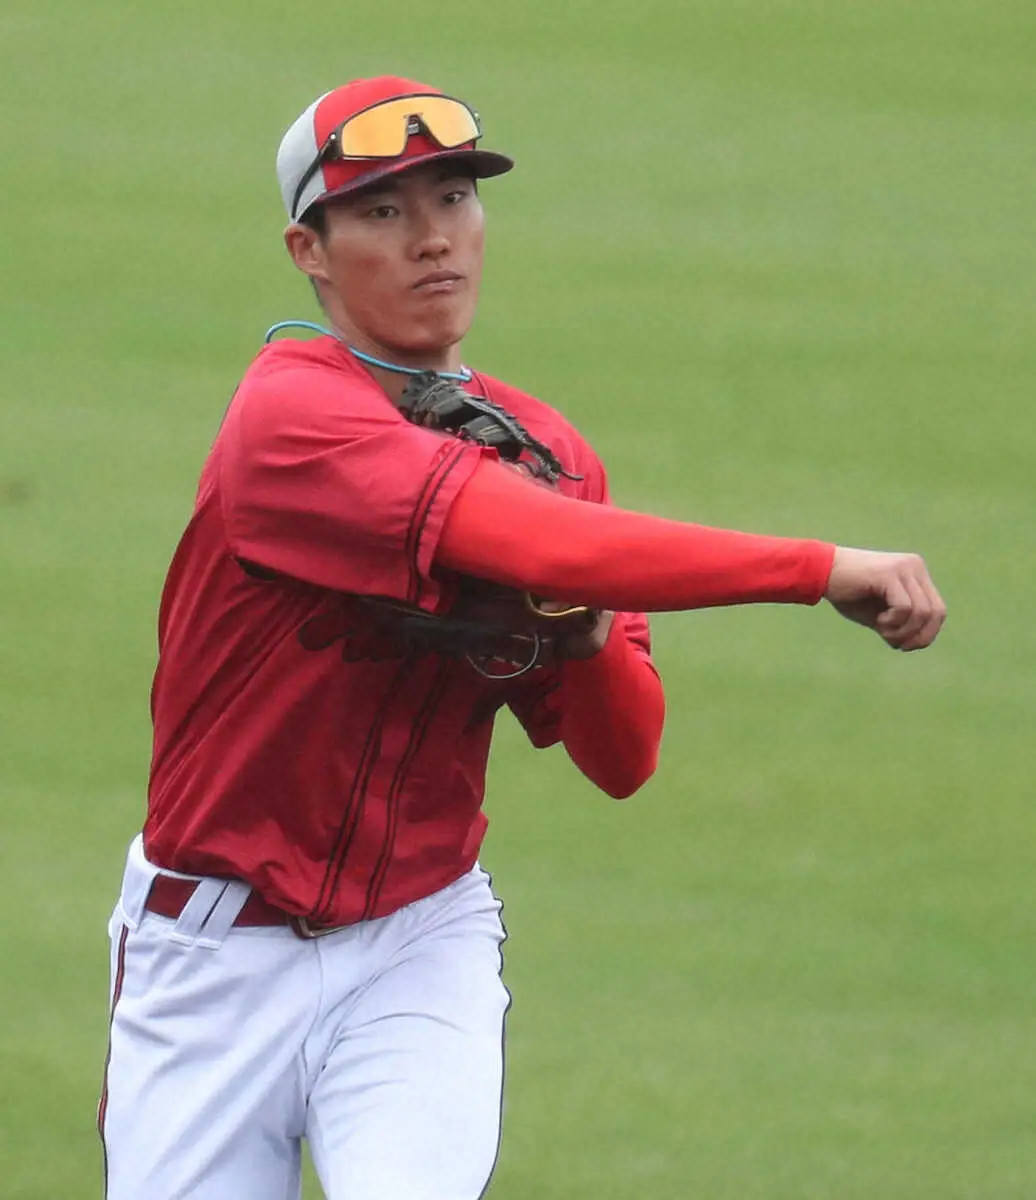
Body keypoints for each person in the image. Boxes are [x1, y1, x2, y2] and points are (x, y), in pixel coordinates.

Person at [98, 75, 945, 1200]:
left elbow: (623, 756)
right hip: (209, 957)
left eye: (453, 199)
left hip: (416, 944)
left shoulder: (545, 454)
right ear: (309, 251)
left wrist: (584, 635)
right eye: (383, 212)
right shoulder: (288, 417)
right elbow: (529, 538)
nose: (432, 238)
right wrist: (815, 568)